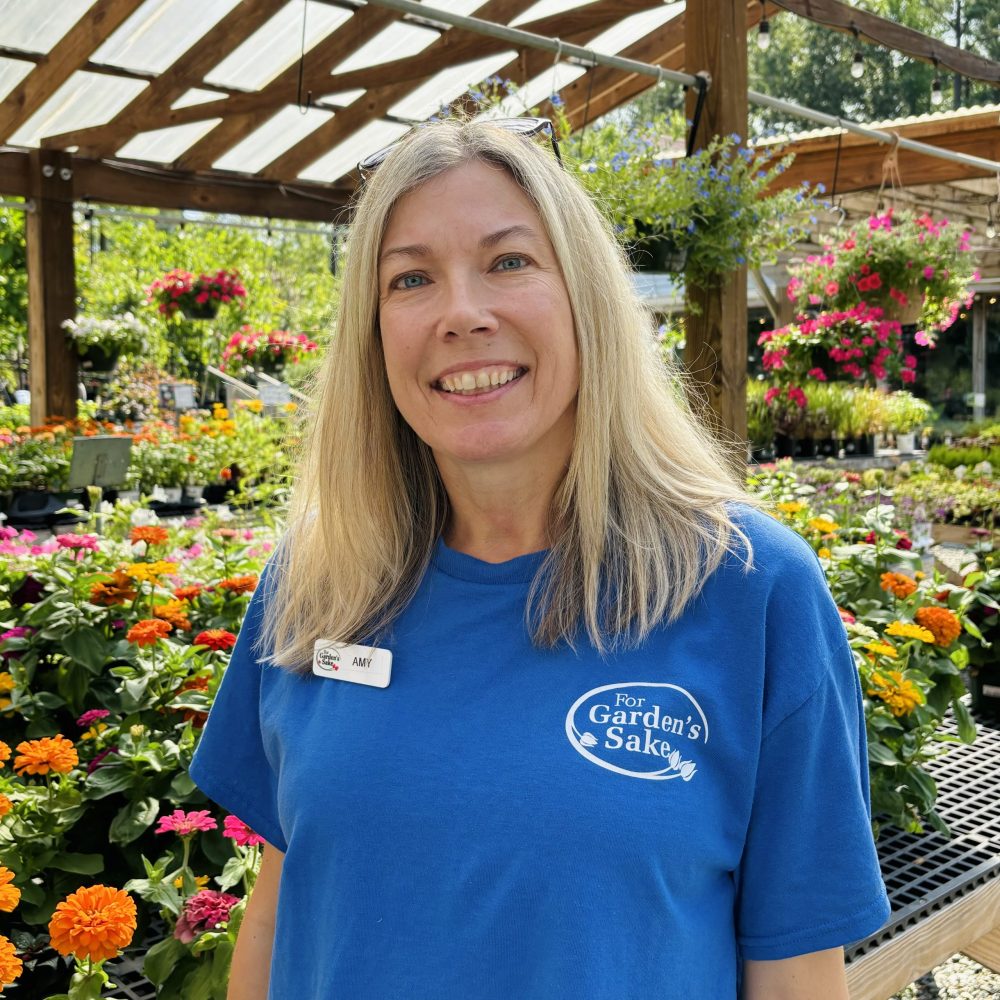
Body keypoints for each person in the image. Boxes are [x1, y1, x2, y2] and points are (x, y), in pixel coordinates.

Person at [190, 117, 890, 999]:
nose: (461, 314)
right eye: (411, 278)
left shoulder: (752, 592)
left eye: (509, 261)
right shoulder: (319, 580)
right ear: (372, 334)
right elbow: (283, 904)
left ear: (587, 297)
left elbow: (795, 975)